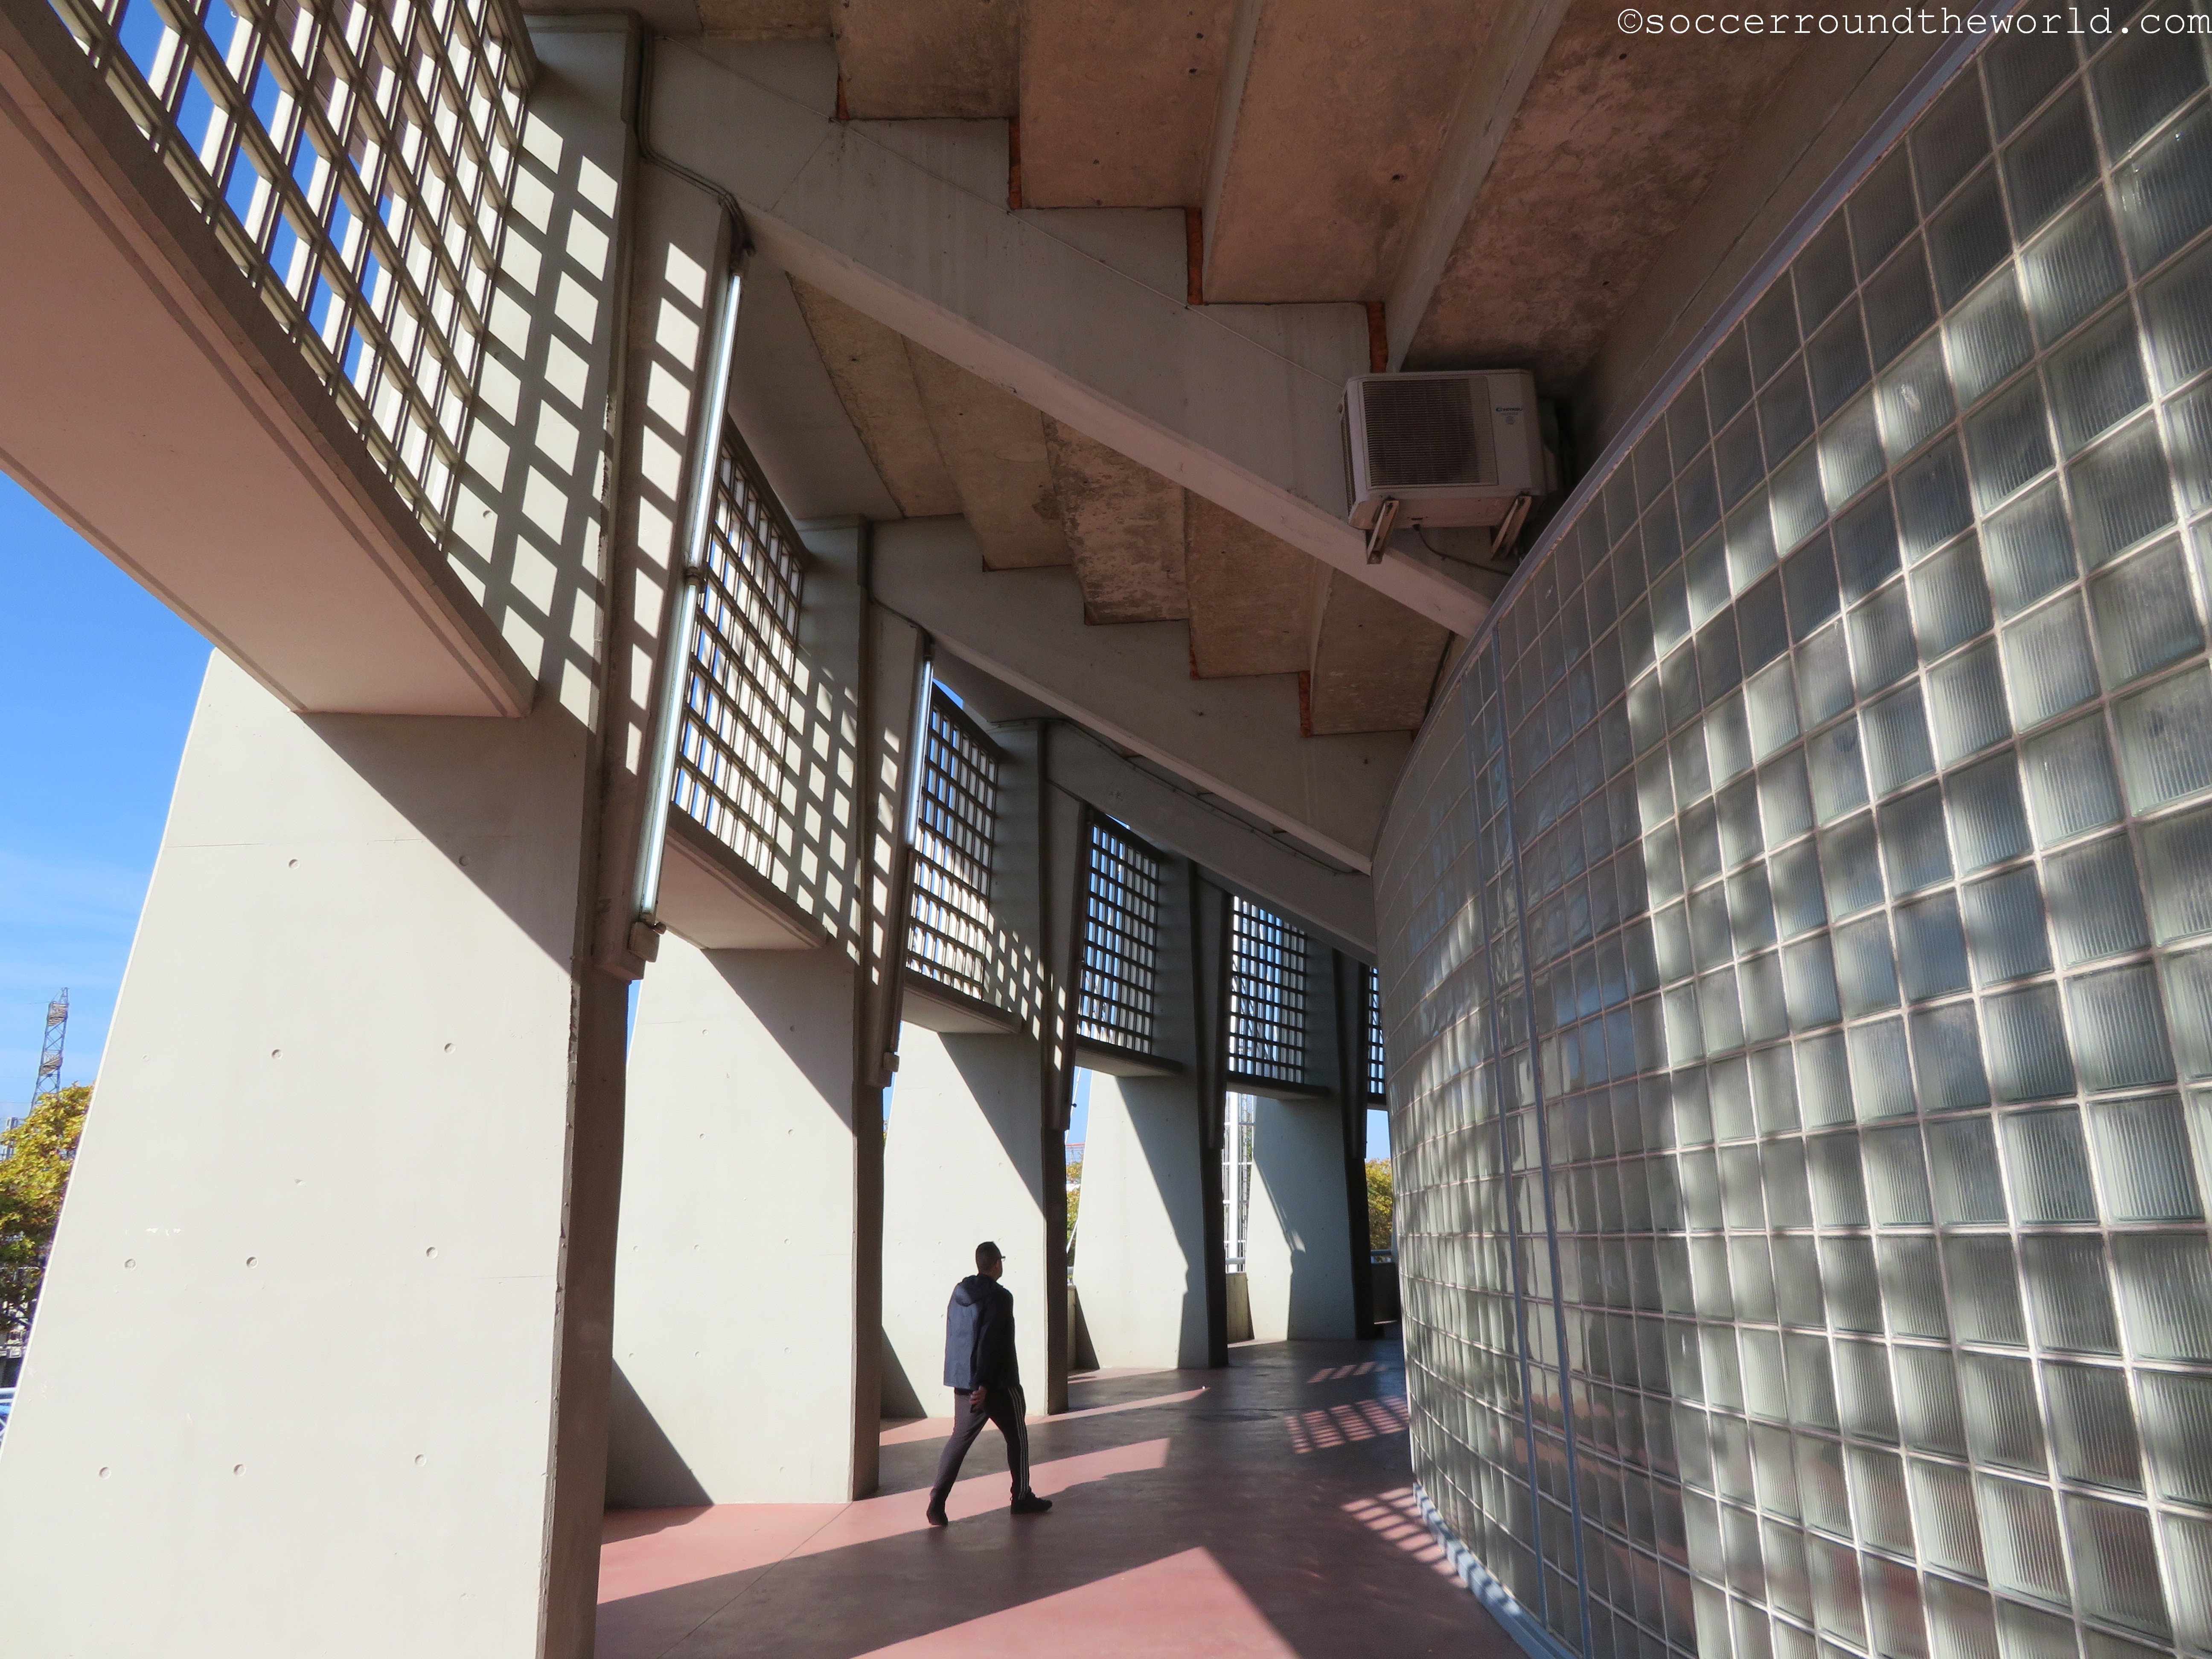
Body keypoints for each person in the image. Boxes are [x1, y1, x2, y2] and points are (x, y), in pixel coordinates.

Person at [925, 1240, 1052, 1526]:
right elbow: (990, 1341)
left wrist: (969, 1382)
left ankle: (936, 1503)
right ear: (997, 1264)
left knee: (959, 1439)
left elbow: (957, 1338)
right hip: (997, 1384)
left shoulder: (959, 1294)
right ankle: (1021, 1497)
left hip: (964, 1384)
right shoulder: (1000, 1297)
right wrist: (983, 1383)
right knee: (1017, 1436)